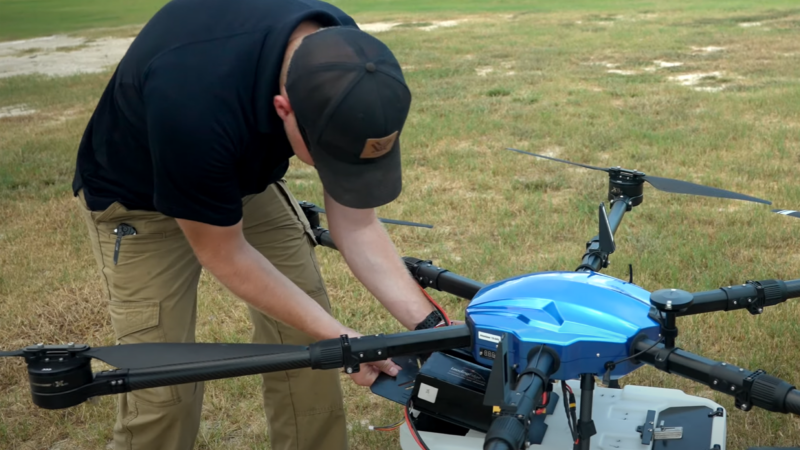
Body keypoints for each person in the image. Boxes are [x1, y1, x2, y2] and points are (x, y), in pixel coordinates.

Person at [70, 0, 453, 449]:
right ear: (283, 107)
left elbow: (358, 225)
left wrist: (431, 328)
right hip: (138, 201)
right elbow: (224, 253)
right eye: (330, 160)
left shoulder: (344, 57)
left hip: (244, 180)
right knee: (163, 389)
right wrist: (347, 340)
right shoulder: (192, 102)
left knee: (312, 353)